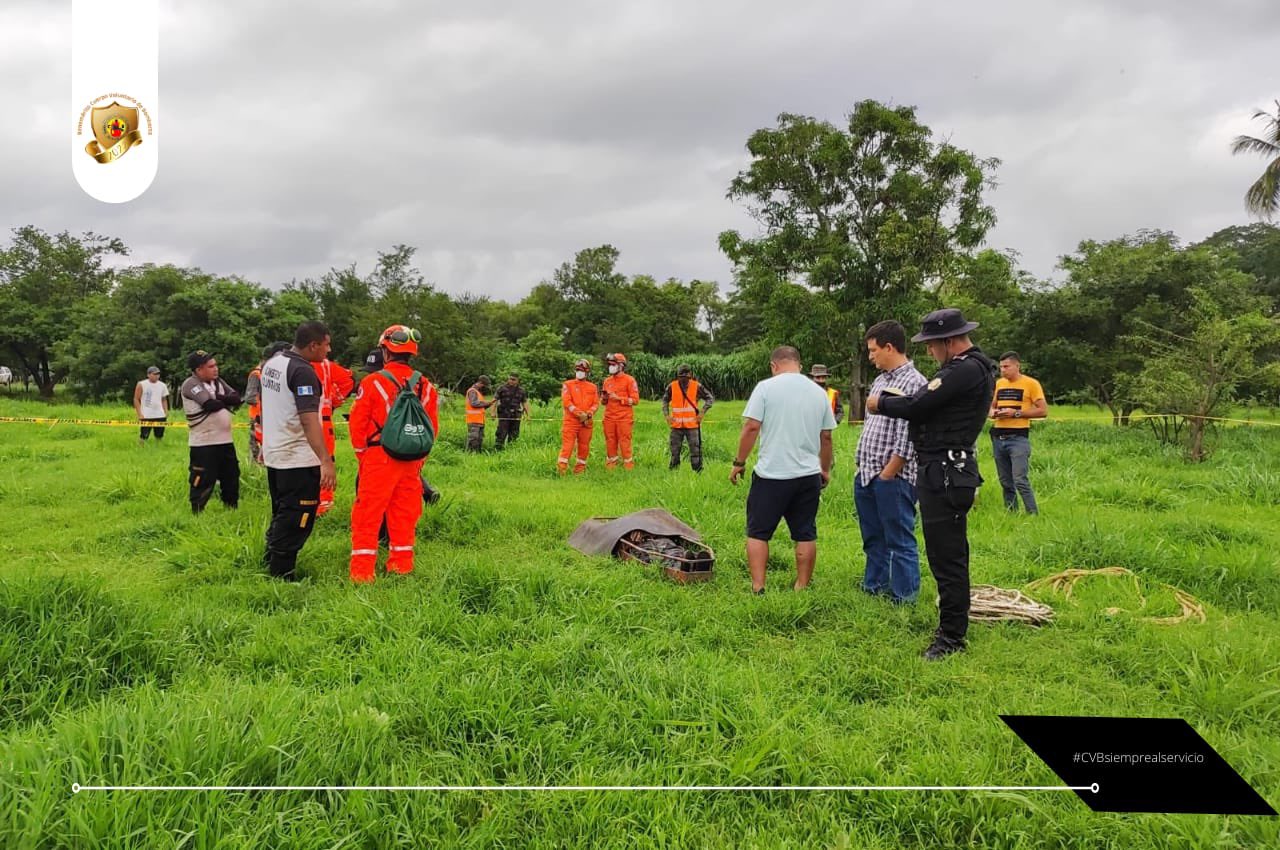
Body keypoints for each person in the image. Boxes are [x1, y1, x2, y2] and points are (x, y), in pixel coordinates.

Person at [868, 308, 996, 660]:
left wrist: (882, 402)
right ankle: (951, 627)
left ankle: (951, 638)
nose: (929, 352)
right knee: (944, 555)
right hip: (940, 470)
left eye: (932, 345)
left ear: (949, 341)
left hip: (946, 471)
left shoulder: (966, 368)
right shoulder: (967, 368)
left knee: (947, 558)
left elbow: (920, 403)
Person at [729, 346, 836, 594]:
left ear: (773, 365)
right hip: (808, 475)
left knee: (758, 532)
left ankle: (758, 587)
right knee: (805, 533)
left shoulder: (765, 388)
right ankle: (801, 586)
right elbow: (827, 437)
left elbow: (751, 427)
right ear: (799, 364)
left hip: (771, 476)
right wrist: (824, 469)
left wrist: (739, 462)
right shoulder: (818, 392)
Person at [348, 325, 439, 583]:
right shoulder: (426, 386)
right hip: (412, 462)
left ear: (385, 351)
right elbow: (432, 428)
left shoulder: (372, 382)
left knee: (368, 514)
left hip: (378, 458)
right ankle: (401, 566)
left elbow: (358, 424)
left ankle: (362, 572)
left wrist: (362, 456)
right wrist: (419, 459)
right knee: (405, 514)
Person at [855, 321, 928, 604]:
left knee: (899, 539)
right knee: (873, 537)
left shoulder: (914, 382)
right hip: (867, 473)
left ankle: (904, 597)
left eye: (873, 350)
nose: (870, 356)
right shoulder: (881, 380)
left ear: (889, 347)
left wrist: (888, 474)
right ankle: (873, 586)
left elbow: (909, 436)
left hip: (893, 477)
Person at [259, 322, 336, 581]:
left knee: (282, 511)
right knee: (298, 516)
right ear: (313, 345)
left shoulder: (273, 363)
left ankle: (269, 560)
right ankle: (282, 575)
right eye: (326, 344)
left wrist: (264, 444)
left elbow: (271, 407)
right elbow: (308, 419)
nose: (329, 349)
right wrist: (325, 460)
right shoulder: (303, 372)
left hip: (275, 455)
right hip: (296, 459)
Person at [180, 350, 242, 513]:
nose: (216, 369)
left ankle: (231, 509)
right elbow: (209, 404)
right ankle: (197, 512)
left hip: (225, 441)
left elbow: (237, 398)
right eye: (211, 366)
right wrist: (224, 400)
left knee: (231, 476)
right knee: (202, 479)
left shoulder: (218, 382)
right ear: (199, 369)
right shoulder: (190, 384)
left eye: (215, 365)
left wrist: (219, 398)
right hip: (204, 442)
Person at [989, 351, 1047, 514]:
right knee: (1005, 481)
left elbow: (1043, 410)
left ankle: (1032, 513)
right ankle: (1011, 512)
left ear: (1017, 366)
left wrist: (1016, 413)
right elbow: (991, 405)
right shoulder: (999, 384)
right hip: (998, 437)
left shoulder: (1031, 384)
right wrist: (992, 412)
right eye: (1001, 367)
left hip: (1018, 438)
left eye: (1006, 366)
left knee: (1020, 479)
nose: (1003, 370)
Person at [314, 355, 356, 515]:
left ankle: (317, 502)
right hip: (322, 418)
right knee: (326, 460)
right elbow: (347, 380)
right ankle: (324, 503)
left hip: (300, 419)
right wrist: (334, 400)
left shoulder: (293, 363)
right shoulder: (326, 365)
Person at [663, 364, 715, 472]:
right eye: (681, 377)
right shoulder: (672, 386)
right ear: (678, 376)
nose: (684, 379)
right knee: (674, 452)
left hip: (692, 426)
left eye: (686, 377)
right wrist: (667, 415)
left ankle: (697, 474)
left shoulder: (697, 386)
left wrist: (702, 412)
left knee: (695, 452)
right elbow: (665, 400)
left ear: (690, 375)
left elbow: (710, 398)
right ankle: (673, 473)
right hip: (676, 426)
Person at [245, 342, 289, 465]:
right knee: (257, 451)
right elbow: (250, 397)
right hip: (258, 418)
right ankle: (256, 473)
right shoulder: (256, 374)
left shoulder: (273, 373)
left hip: (272, 417)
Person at [558, 358, 598, 475]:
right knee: (568, 446)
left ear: (587, 372)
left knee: (584, 447)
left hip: (587, 422)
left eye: (582, 370)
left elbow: (596, 403)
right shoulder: (567, 385)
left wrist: (588, 414)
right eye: (577, 369)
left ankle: (580, 471)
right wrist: (579, 414)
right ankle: (561, 471)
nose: (579, 372)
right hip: (571, 422)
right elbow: (567, 402)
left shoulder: (592, 387)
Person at [600, 352, 640, 470]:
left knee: (624, 441)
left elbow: (635, 400)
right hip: (609, 418)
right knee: (610, 441)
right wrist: (604, 399)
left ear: (621, 366)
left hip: (624, 418)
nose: (610, 366)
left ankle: (628, 465)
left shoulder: (630, 380)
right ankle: (611, 465)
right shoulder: (607, 381)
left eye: (613, 364)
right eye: (610, 364)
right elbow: (603, 402)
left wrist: (619, 399)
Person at [494, 373, 530, 449]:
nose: (511, 381)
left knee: (514, 434)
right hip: (504, 414)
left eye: (513, 379)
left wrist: (528, 415)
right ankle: (498, 450)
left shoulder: (521, 390)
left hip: (516, 415)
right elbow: (495, 400)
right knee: (501, 433)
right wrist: (492, 412)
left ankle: (511, 450)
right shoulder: (502, 388)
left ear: (518, 381)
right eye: (510, 379)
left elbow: (524, 403)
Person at [134, 366, 170, 442]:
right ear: (148, 374)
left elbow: (164, 399)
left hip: (160, 414)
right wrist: (139, 413)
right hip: (146, 414)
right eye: (154, 374)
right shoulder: (141, 384)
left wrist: (166, 411)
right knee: (144, 435)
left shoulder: (162, 385)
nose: (157, 376)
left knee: (159, 435)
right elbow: (136, 399)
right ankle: (141, 449)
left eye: (158, 374)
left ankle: (158, 449)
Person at [464, 375, 495, 452]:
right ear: (480, 383)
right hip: (473, 420)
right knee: (473, 440)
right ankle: (470, 456)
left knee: (479, 440)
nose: (484, 387)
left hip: (480, 421)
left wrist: (489, 404)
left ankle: (477, 456)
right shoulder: (472, 391)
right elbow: (474, 403)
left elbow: (481, 407)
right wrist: (486, 403)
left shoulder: (478, 392)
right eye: (484, 385)